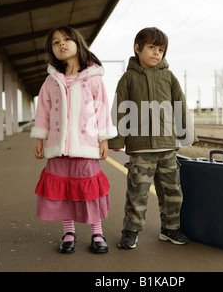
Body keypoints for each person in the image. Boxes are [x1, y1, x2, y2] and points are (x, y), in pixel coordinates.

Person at [109, 27, 198, 249]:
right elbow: (120, 110)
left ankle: (170, 228)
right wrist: (118, 140)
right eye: (151, 47)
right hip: (141, 147)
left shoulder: (168, 76)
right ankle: (131, 230)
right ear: (137, 48)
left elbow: (180, 104)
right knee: (138, 192)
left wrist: (186, 133)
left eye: (161, 49)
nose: (157, 53)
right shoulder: (128, 78)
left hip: (167, 145)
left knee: (172, 190)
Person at [31, 26, 117, 254]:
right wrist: (40, 138)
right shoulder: (51, 81)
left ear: (78, 43)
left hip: (86, 146)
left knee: (89, 190)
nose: (61, 44)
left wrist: (104, 139)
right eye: (55, 42)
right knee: (63, 190)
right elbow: (43, 112)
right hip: (58, 147)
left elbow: (102, 110)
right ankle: (68, 232)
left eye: (67, 39)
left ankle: (97, 232)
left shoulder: (94, 79)